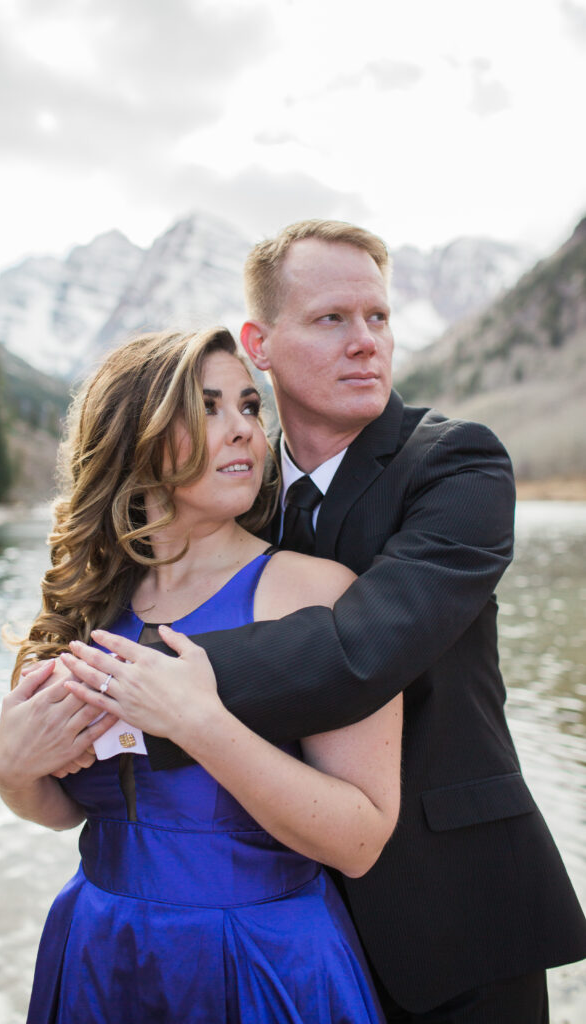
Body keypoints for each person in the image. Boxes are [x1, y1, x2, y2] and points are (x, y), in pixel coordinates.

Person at [86, 220, 586, 1023]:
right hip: (282, 927)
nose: (365, 342)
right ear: (261, 343)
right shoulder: (234, 486)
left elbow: (365, 648)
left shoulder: (457, 464)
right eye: (331, 319)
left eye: (378, 318)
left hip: (453, 916)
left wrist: (129, 681)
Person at [0, 326, 402, 1023]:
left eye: (247, 405)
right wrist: (11, 773)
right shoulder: (90, 604)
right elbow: (75, 810)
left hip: (259, 960)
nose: (242, 429)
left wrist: (201, 724)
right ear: (136, 436)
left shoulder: (316, 594)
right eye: (206, 408)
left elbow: (359, 839)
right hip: (99, 948)